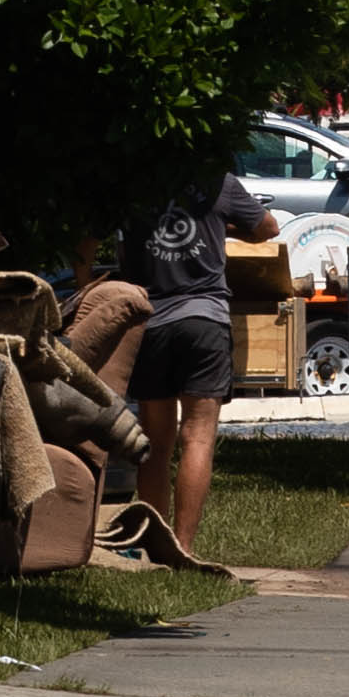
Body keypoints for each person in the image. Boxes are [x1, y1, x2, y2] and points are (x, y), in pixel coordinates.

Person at [112, 161, 281, 539]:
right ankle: (183, 547)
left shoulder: (133, 182)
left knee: (155, 442)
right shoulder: (217, 181)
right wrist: (224, 226)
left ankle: (153, 545)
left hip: (150, 322)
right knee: (198, 437)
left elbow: (92, 241)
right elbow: (268, 228)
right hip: (205, 322)